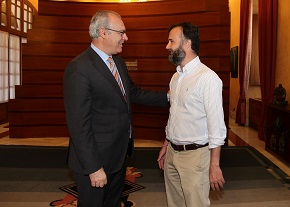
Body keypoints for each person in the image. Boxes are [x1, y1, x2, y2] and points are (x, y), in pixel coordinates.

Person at [63, 10, 168, 207]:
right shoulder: (79, 68)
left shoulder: (118, 62)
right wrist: (93, 167)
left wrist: (171, 97)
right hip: (95, 160)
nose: (126, 38)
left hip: (118, 155)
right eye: (121, 32)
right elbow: (79, 124)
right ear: (103, 32)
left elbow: (133, 93)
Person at [157, 22, 227, 207]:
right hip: (172, 153)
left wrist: (215, 165)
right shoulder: (176, 76)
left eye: (171, 41)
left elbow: (217, 126)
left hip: (195, 157)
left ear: (187, 44)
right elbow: (174, 114)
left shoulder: (207, 78)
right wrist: (166, 144)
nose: (167, 46)